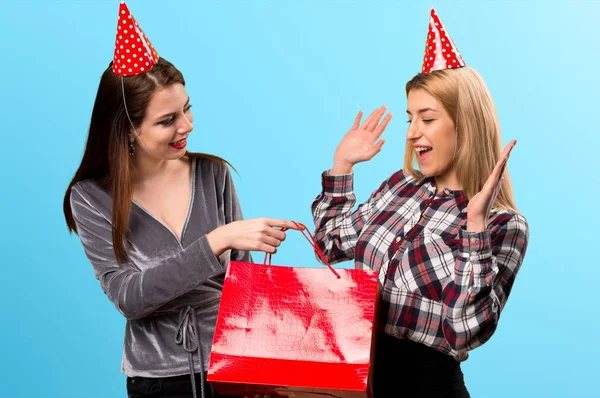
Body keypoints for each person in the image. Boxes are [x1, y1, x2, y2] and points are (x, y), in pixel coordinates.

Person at [63, 3, 295, 398]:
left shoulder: (212, 174)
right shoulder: (91, 197)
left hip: (233, 365)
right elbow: (130, 298)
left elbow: (242, 284)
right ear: (128, 130)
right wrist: (216, 240)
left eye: (186, 109)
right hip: (158, 380)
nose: (186, 126)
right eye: (167, 120)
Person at [311, 9, 529, 398]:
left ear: (465, 123)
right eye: (411, 118)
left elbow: (464, 331)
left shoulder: (503, 225)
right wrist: (341, 165)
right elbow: (331, 244)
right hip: (355, 378)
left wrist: (474, 227)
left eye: (426, 119)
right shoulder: (400, 186)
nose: (412, 134)